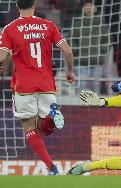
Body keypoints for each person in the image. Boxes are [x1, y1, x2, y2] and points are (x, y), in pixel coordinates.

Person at [0, 0, 75, 175]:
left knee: (30, 129)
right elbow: (68, 51)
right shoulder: (48, 25)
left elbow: (2, 57)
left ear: (17, 7)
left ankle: (53, 168)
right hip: (46, 83)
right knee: (44, 128)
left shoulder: (10, 29)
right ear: (35, 6)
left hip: (23, 85)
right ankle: (53, 114)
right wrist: (69, 72)